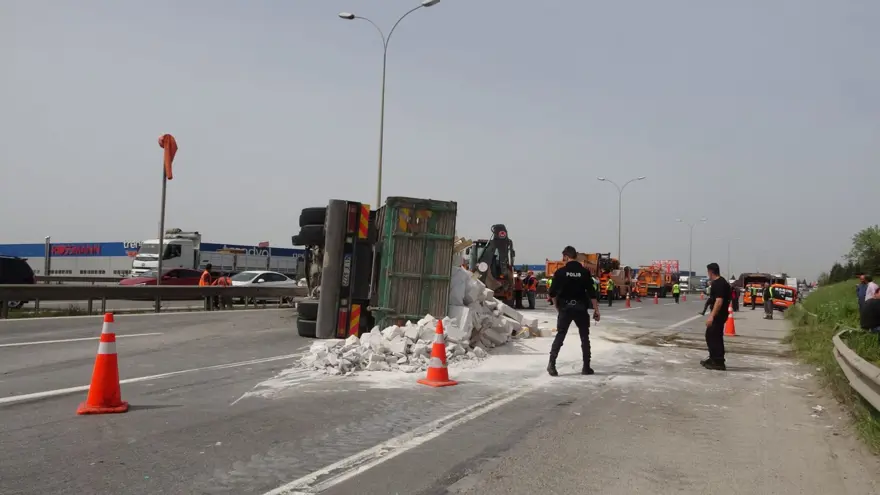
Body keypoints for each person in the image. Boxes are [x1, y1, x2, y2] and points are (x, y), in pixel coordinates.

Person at [547, 245, 600, 376]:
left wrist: (557, 307)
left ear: (566, 256)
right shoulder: (584, 272)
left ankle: (552, 365)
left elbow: (552, 293)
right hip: (581, 308)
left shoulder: (560, 272)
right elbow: (592, 293)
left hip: (565, 308)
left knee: (560, 335)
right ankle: (586, 367)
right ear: (575, 256)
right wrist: (596, 310)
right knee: (584, 337)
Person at [702, 262, 731, 370]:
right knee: (712, 335)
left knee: (713, 336)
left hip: (719, 315)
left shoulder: (718, 283)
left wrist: (711, 316)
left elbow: (719, 301)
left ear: (711, 271)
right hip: (720, 314)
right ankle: (714, 358)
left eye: (708, 271)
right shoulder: (721, 282)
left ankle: (718, 361)